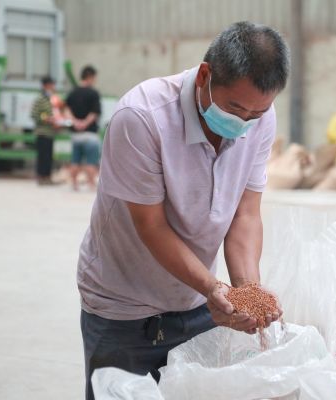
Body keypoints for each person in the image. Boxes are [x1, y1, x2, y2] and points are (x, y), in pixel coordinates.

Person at [77, 21, 289, 399]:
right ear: (205, 75)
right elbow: (152, 226)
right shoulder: (142, 117)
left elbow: (245, 214)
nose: (243, 122)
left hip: (197, 301)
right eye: (234, 107)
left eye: (255, 114)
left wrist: (245, 291)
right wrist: (213, 287)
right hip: (124, 309)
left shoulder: (260, 117)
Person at [65, 65, 102, 191]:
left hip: (75, 134)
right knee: (91, 161)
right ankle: (91, 184)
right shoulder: (93, 93)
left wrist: (75, 122)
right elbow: (95, 112)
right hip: (90, 134)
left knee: (75, 160)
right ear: (90, 77)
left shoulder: (73, 92)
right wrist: (85, 123)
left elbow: (67, 109)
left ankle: (74, 184)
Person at [30, 76, 60, 185]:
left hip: (51, 133)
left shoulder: (52, 99)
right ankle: (41, 177)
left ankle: (47, 177)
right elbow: (34, 114)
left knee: (48, 157)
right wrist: (47, 119)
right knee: (42, 157)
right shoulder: (40, 99)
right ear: (46, 85)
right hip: (42, 132)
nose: (53, 87)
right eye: (51, 84)